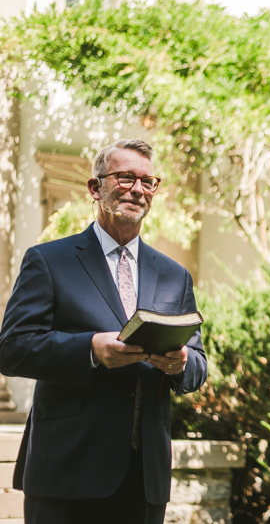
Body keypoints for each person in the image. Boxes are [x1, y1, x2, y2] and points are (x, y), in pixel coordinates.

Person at [0, 139, 207, 524]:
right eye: (125, 177)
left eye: (148, 181)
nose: (138, 189)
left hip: (144, 475)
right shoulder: (48, 261)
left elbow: (198, 364)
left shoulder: (174, 277)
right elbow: (12, 348)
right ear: (95, 188)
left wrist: (180, 364)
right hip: (67, 469)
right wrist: (90, 350)